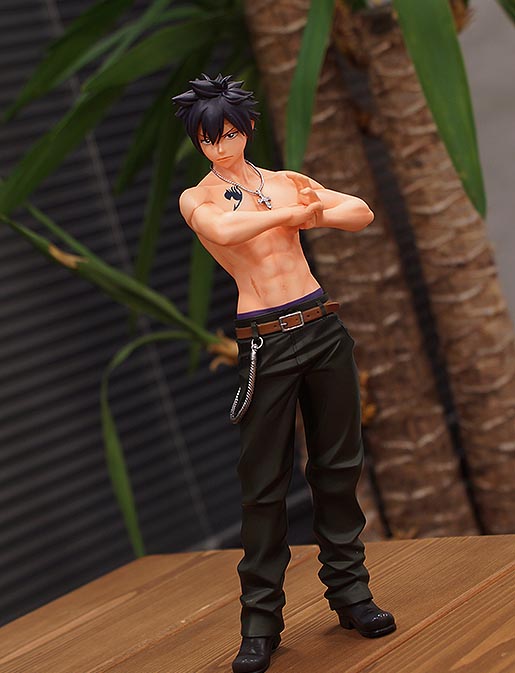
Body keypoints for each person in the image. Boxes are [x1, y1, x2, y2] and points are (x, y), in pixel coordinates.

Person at [172, 73, 395, 673]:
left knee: (338, 467)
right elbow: (223, 230)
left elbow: (360, 212)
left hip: (321, 325)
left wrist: (310, 213)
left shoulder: (284, 181)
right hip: (265, 340)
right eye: (207, 139)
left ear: (246, 128)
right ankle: (261, 622)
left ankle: (351, 594)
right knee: (264, 484)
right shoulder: (198, 197)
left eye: (228, 134)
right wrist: (295, 214)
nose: (219, 146)